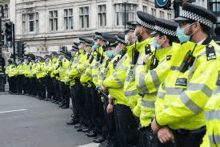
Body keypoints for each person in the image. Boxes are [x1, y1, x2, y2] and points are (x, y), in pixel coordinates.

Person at [151, 2, 220, 147]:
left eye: (182, 25)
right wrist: (161, 123)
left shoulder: (212, 55)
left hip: (192, 136)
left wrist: (159, 120)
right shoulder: (185, 50)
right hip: (169, 130)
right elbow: (165, 87)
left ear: (195, 26)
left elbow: (195, 98)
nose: (179, 29)